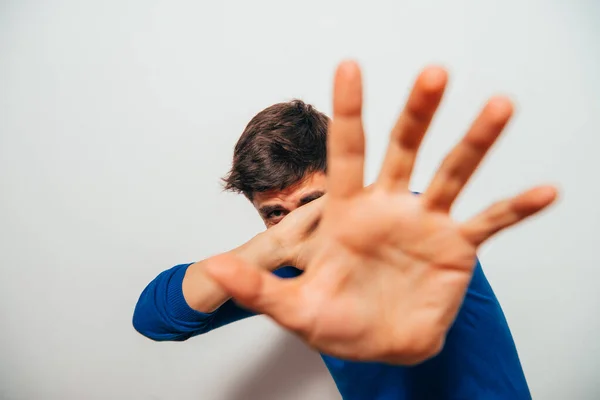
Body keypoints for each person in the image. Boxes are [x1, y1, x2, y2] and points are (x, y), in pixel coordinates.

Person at [133, 61, 556, 399]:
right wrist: (275, 245)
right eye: (276, 213)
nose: (299, 224)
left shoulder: (408, 224)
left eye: (312, 203)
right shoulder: (288, 257)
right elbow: (156, 318)